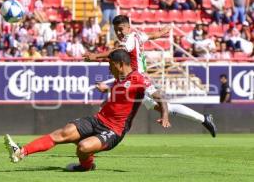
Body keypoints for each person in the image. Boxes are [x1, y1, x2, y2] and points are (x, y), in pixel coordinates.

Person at [4, 49, 170, 171]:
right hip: (97, 120)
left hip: (114, 130)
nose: (108, 68)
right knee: (63, 133)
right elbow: (120, 90)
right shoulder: (120, 78)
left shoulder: (139, 79)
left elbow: (159, 95)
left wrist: (164, 116)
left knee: (83, 147)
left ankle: (86, 165)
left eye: (111, 65)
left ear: (120, 64)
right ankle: (21, 151)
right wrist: (107, 88)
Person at [85, 15, 217, 137]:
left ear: (128, 27)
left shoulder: (129, 39)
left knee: (109, 104)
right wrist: (161, 32)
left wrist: (95, 56)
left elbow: (117, 52)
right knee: (164, 107)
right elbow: (152, 36)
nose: (119, 33)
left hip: (137, 80)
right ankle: (204, 119)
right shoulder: (137, 36)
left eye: (121, 29)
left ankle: (100, 136)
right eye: (116, 30)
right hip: (132, 80)